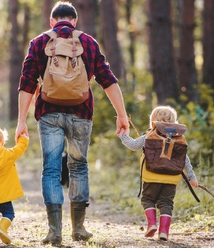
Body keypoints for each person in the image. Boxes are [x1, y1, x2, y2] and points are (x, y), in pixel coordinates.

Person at [15, 1, 129, 246]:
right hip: (81, 113)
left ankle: (54, 231)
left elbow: (27, 83)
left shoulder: (39, 43)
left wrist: (20, 121)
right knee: (78, 167)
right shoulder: (87, 42)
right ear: (75, 21)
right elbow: (107, 80)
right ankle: (79, 228)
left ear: (52, 22)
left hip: (48, 114)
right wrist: (122, 115)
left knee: (51, 170)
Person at [118, 106, 199, 241]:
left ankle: (152, 224)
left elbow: (133, 146)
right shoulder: (179, 139)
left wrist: (122, 135)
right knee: (166, 203)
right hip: (171, 179)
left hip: (151, 176)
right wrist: (192, 177)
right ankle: (164, 232)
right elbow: (185, 160)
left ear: (153, 122)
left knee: (147, 199)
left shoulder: (149, 136)